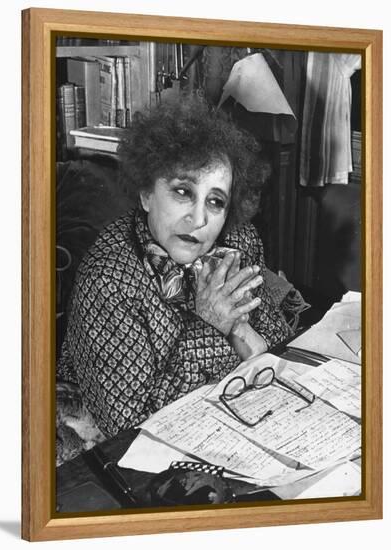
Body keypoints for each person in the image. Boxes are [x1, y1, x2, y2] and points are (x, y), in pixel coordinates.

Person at [57, 98, 291, 439]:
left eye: (215, 201)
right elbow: (127, 427)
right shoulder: (107, 280)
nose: (198, 220)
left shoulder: (237, 243)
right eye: (183, 192)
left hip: (233, 415)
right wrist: (212, 325)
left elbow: (277, 342)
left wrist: (242, 331)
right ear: (146, 194)